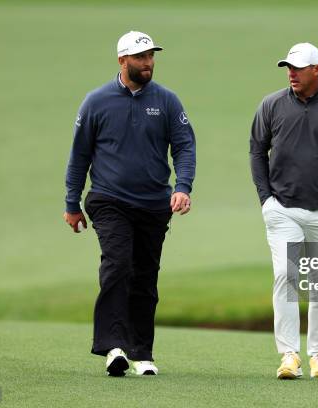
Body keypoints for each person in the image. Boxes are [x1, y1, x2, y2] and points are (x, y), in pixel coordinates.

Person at [63, 31, 196, 377]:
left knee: (145, 277)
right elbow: (79, 155)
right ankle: (114, 347)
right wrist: (71, 202)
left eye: (151, 56)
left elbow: (184, 146)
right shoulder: (96, 101)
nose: (148, 63)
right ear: (122, 61)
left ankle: (142, 352)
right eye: (140, 57)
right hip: (109, 199)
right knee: (117, 266)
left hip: (154, 204)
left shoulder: (167, 101)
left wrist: (182, 187)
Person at [250, 42, 318, 379]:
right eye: (288, 67)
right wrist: (265, 201)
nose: (291, 73)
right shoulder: (271, 105)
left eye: (298, 68)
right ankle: (288, 356)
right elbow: (257, 152)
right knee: (286, 277)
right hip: (283, 209)